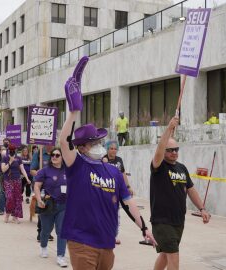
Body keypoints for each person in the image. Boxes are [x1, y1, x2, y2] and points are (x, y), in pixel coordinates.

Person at [60, 56, 156, 270]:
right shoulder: (76, 165)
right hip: (81, 242)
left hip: (107, 243)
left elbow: (128, 202)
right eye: (93, 142)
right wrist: (74, 111)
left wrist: (144, 228)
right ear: (82, 147)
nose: (99, 145)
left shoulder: (113, 171)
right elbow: (64, 142)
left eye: (99, 141)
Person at [150, 116, 211, 270]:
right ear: (164, 151)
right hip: (162, 222)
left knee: (165, 255)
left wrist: (202, 208)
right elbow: (159, 151)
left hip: (178, 220)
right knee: (174, 258)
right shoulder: (159, 166)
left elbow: (190, 189)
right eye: (170, 150)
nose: (174, 153)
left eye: (176, 149)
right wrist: (169, 128)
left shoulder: (182, 168)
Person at [34, 148, 68, 267]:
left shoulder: (68, 171)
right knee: (46, 230)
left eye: (57, 155)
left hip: (63, 206)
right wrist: (38, 200)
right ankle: (43, 246)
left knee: (61, 231)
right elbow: (37, 186)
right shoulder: (44, 171)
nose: (54, 157)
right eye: (52, 155)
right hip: (47, 205)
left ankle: (61, 256)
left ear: (62, 157)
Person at [102, 140, 133, 245]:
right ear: (107, 149)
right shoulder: (103, 159)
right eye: (111, 148)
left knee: (116, 214)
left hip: (118, 190)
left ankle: (113, 236)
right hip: (106, 190)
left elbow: (123, 173)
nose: (114, 150)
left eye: (115, 149)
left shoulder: (119, 160)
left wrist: (128, 186)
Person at [31, 144, 56, 242]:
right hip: (41, 186)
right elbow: (32, 170)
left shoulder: (57, 154)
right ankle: (40, 232)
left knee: (52, 209)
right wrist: (41, 173)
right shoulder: (38, 154)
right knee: (42, 208)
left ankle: (48, 231)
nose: (50, 145)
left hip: (54, 185)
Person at [1, 144, 31, 223]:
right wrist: (10, 162)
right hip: (8, 180)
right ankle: (7, 214)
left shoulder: (18, 158)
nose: (12, 151)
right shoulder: (5, 158)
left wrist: (27, 178)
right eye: (10, 150)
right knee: (10, 198)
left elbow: (22, 169)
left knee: (17, 199)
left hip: (17, 180)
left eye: (13, 150)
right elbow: (3, 170)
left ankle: (15, 216)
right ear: (8, 150)